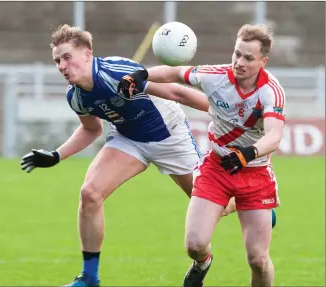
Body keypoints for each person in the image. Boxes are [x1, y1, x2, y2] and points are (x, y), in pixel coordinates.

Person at [19, 24, 237, 287]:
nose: (62, 65)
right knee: (90, 194)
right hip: (129, 140)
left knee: (218, 207)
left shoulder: (117, 72)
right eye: (57, 61)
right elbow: (91, 130)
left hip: (170, 136)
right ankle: (89, 277)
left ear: (87, 54)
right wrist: (56, 155)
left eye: (67, 57)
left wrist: (227, 116)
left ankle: (246, 205)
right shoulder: (76, 97)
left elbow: (176, 92)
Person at [118, 24, 285, 287]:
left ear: (263, 61)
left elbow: (274, 136)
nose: (239, 62)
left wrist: (247, 154)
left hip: (255, 172)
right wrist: (141, 76)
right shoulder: (215, 75)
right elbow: (174, 75)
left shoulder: (271, 91)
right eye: (236, 54)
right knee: (194, 244)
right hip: (216, 169)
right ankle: (203, 262)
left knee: (258, 260)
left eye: (248, 58)